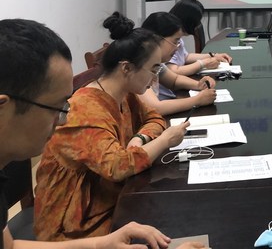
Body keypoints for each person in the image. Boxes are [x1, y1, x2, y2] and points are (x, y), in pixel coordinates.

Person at [0, 18, 202, 249]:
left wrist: (103, 244)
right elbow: (117, 166)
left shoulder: (126, 96)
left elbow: (9, 246)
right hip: (75, 222)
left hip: (106, 201)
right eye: (57, 107)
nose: (63, 119)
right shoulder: (84, 110)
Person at [140, 12, 216, 113]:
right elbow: (156, 108)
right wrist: (198, 100)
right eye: (175, 41)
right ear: (156, 39)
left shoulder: (156, 63)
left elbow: (174, 81)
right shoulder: (139, 65)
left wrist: (199, 85)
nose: (177, 47)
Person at [168, 0, 231, 76]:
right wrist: (203, 64)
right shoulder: (168, 38)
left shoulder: (176, 36)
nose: (197, 25)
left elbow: (185, 57)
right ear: (188, 21)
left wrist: (214, 55)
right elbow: (174, 71)